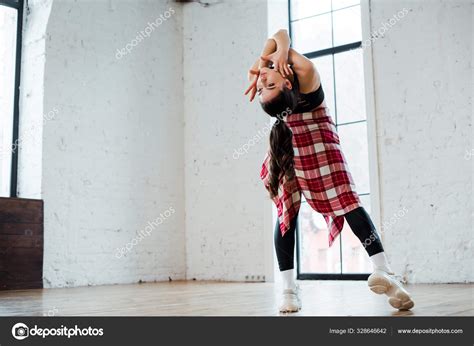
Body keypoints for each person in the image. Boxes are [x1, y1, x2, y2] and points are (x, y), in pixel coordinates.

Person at [244, 29, 414, 313]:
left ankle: (384, 270)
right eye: (265, 89)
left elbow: (277, 35)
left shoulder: (295, 72)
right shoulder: (300, 71)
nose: (261, 82)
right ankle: (288, 289)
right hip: (289, 148)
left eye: (264, 88)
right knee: (286, 213)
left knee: (348, 204)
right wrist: (277, 54)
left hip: (321, 145)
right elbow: (277, 42)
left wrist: (269, 59)